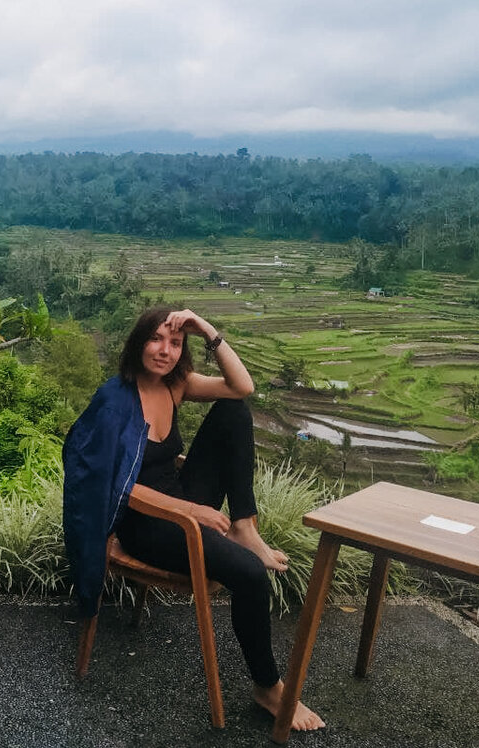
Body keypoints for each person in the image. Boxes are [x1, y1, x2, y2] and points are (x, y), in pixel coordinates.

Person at [62, 306, 325, 732]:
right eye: (156, 339)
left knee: (234, 409)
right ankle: (269, 687)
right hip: (145, 524)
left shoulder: (175, 385)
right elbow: (106, 484)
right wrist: (190, 510)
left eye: (175, 342)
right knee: (250, 574)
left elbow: (243, 385)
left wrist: (206, 329)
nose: (164, 351)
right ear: (138, 342)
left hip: (181, 498)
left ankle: (244, 525)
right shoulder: (114, 402)